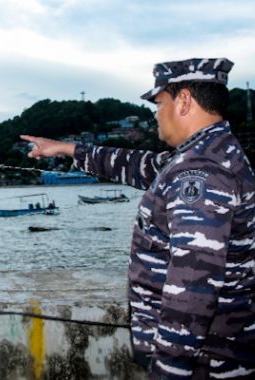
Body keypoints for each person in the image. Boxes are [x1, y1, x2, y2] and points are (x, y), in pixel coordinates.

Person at [22, 58, 255, 379]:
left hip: (206, 362)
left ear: (184, 101)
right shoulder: (209, 152)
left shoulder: (200, 173)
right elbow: (140, 165)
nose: (155, 113)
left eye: (159, 103)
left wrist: (169, 368)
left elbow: (193, 289)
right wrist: (67, 149)